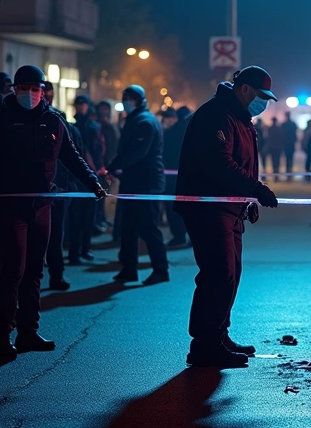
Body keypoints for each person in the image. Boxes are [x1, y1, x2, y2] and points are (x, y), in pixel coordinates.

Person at [0, 65, 105, 360]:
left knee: (35, 270)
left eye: (36, 89)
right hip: (10, 207)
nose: (31, 94)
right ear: (15, 89)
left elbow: (71, 156)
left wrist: (93, 183)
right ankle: (1, 335)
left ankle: (28, 332)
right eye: (25, 89)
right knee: (13, 270)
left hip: (42, 207)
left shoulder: (53, 120)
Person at [175, 66, 279, 368]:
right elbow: (219, 163)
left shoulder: (240, 117)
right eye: (261, 96)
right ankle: (205, 345)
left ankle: (219, 335)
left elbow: (243, 164)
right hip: (209, 208)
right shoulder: (216, 115)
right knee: (218, 274)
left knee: (231, 274)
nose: (264, 103)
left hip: (230, 208)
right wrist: (256, 189)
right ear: (245, 89)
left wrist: (247, 199)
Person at [107, 85, 169, 285]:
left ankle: (160, 269)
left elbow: (137, 152)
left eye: (130, 98)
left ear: (139, 100)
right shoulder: (136, 119)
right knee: (128, 227)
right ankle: (129, 268)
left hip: (146, 183)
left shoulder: (145, 121)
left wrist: (113, 167)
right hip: (134, 182)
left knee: (149, 228)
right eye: (124, 97)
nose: (126, 101)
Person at [42, 81, 86, 291]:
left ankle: (56, 274)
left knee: (56, 235)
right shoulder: (25, 121)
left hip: (59, 189)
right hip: (37, 189)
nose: (46, 99)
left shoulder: (59, 121)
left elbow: (74, 155)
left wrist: (70, 183)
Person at [68, 95, 104, 264]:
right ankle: (76, 251)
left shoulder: (93, 127)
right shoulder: (72, 126)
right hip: (79, 176)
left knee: (88, 216)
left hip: (91, 174)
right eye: (78, 104)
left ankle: (84, 248)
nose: (80, 107)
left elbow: (99, 151)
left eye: (82, 104)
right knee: (76, 216)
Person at [162, 106, 192, 246]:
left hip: (171, 176)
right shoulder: (193, 131)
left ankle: (179, 235)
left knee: (173, 207)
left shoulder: (171, 132)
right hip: (188, 175)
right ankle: (193, 237)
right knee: (191, 207)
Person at [94, 100, 120, 231]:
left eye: (106, 109)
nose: (104, 111)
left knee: (105, 191)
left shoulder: (111, 126)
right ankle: (98, 218)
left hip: (109, 164)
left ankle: (102, 216)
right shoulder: (97, 126)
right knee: (99, 191)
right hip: (101, 165)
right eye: (102, 108)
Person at [278, 112, 299, 176]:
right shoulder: (293, 124)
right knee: (291, 158)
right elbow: (295, 135)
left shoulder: (284, 125)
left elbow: (281, 135)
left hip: (286, 144)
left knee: (287, 158)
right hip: (291, 144)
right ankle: (290, 171)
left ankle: (288, 171)